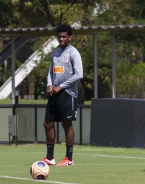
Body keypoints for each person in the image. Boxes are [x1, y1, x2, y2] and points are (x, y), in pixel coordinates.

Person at [42, 24, 83, 166]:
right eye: (59, 36)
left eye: (64, 36)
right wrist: (49, 84)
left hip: (68, 93)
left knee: (67, 125)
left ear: (70, 37)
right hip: (54, 92)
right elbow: (51, 72)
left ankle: (69, 158)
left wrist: (61, 86)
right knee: (48, 123)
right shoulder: (55, 53)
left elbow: (79, 74)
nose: (61, 39)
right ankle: (49, 158)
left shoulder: (73, 53)